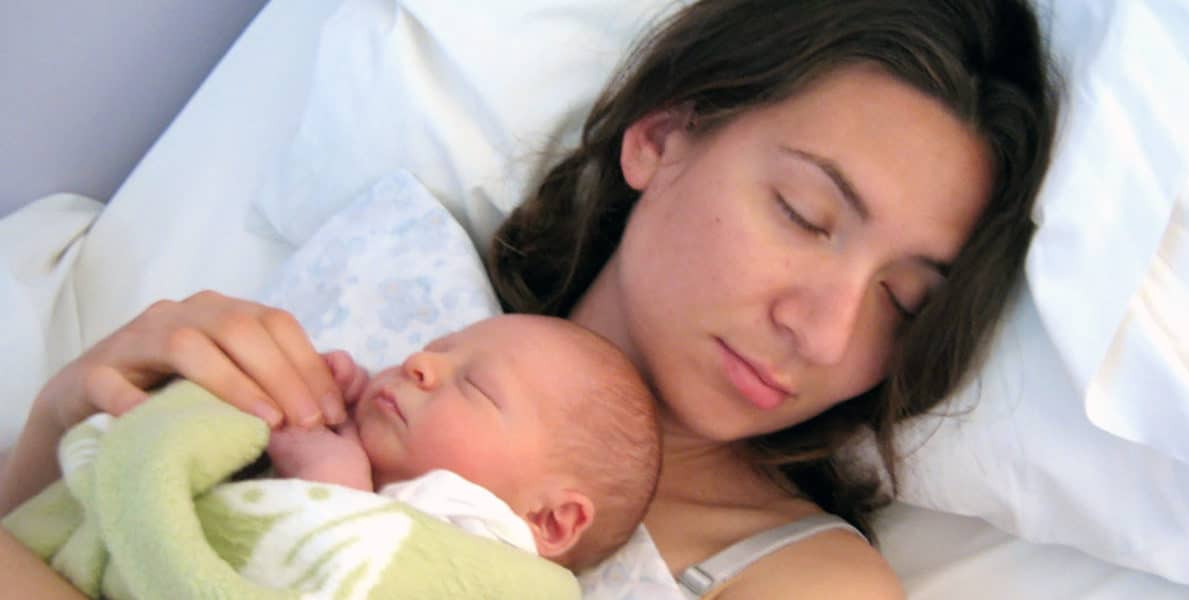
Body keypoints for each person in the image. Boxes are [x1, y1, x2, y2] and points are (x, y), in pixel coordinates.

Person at [0, 0, 1059, 597]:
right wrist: (68, 420)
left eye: (902, 303)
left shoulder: (801, 582)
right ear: (660, 138)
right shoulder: (380, 334)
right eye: (803, 213)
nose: (824, 329)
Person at [265, 314, 661, 571]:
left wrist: (332, 486)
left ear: (548, 519)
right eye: (437, 348)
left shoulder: (489, 566)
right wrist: (337, 401)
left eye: (477, 386)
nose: (418, 363)